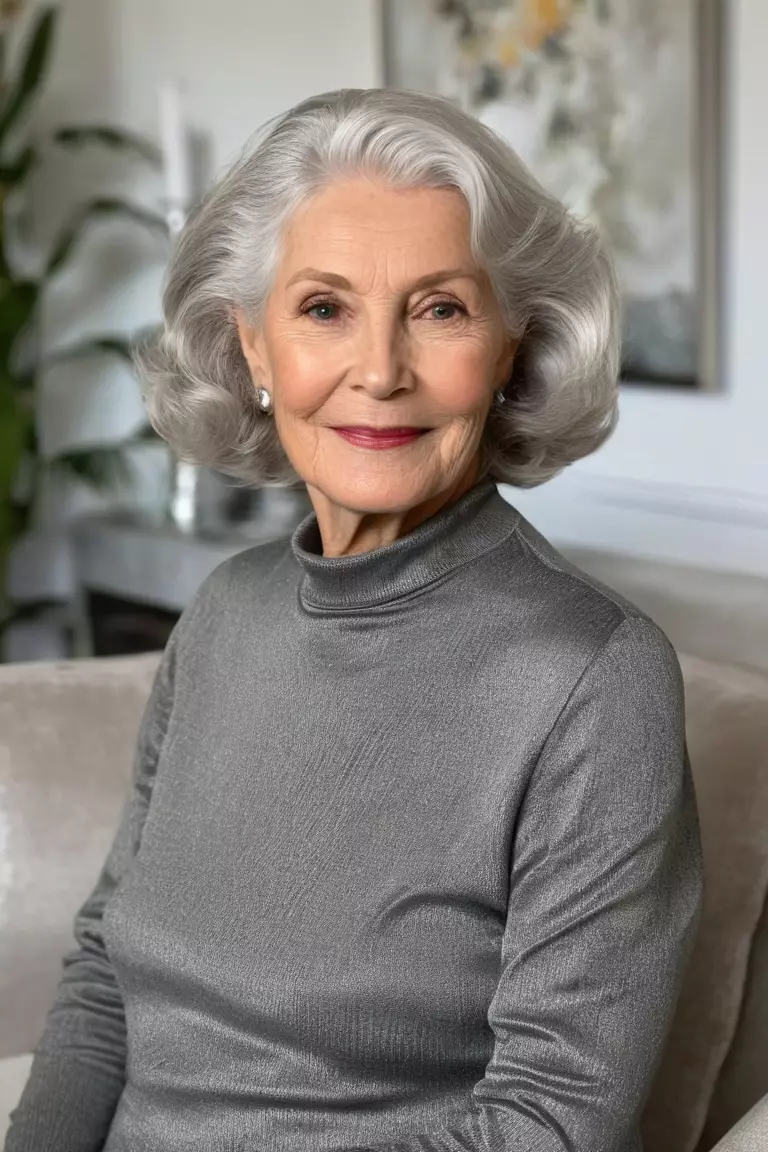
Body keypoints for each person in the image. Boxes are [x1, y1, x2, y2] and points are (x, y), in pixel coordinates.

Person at [5, 88, 703, 1152]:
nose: (380, 372)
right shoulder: (225, 612)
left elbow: (550, 1126)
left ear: (512, 347)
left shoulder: (596, 680)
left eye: (441, 309)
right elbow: (106, 973)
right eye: (325, 308)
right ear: (252, 347)